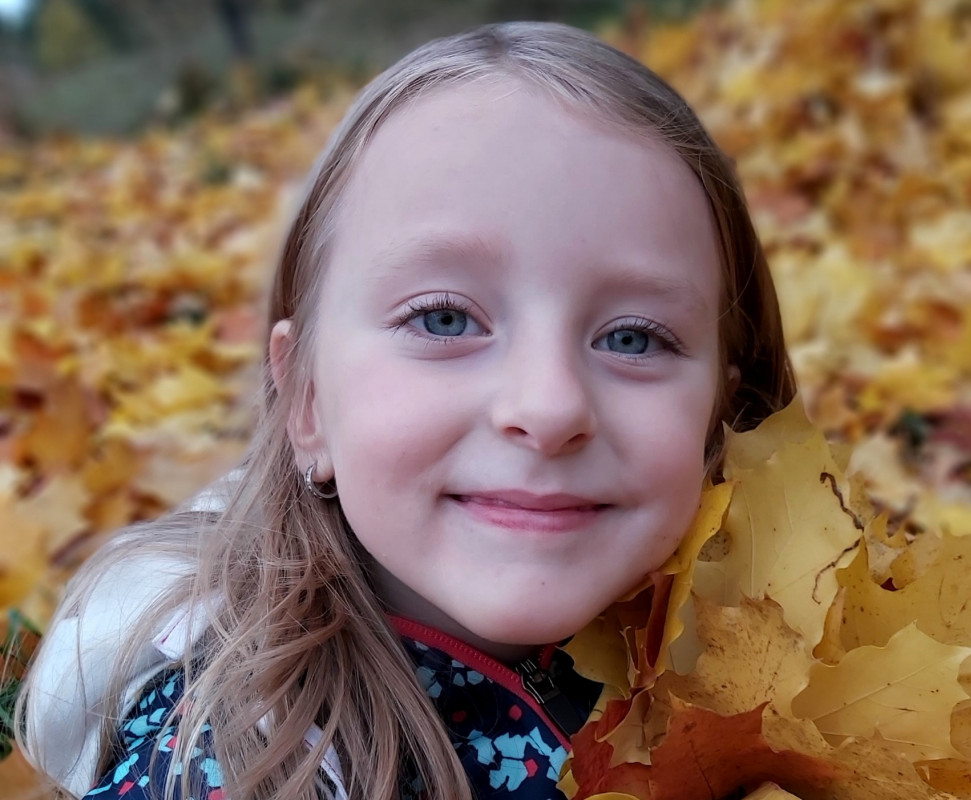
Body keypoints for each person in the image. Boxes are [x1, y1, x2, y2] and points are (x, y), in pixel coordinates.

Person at [16, 20, 795, 800]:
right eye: (444, 319)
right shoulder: (236, 762)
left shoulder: (794, 655)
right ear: (308, 403)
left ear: (724, 409)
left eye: (632, 336)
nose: (551, 406)